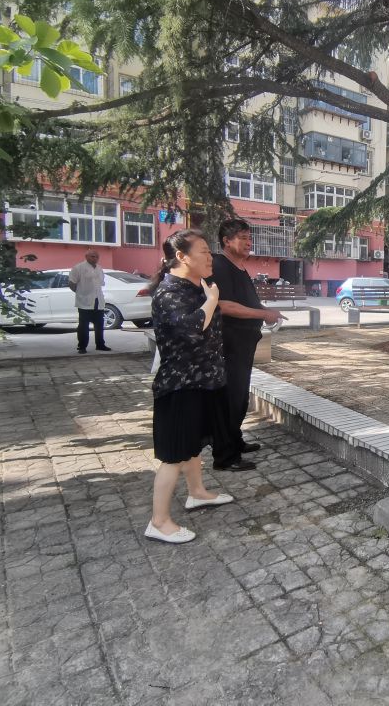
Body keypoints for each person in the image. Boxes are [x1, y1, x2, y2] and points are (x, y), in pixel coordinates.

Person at [146, 230, 235, 544]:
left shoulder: (197, 287)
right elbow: (192, 328)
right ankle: (159, 521)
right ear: (182, 256)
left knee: (192, 445)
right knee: (173, 455)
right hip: (180, 385)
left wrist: (209, 298)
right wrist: (212, 301)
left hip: (202, 381)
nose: (210, 258)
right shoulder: (169, 292)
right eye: (204, 252)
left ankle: (196, 492)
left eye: (210, 252)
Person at [210, 219, 283, 469]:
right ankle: (225, 456)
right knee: (230, 398)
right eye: (242, 238)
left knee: (240, 396)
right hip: (229, 343)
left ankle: (235, 440)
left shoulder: (239, 267)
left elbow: (247, 302)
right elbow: (224, 306)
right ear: (226, 241)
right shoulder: (220, 266)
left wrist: (266, 311)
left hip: (244, 343)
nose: (248, 242)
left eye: (249, 238)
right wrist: (263, 314)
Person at [68, 249, 111, 354]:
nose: (95, 258)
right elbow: (72, 283)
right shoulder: (78, 268)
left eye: (97, 257)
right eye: (92, 256)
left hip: (98, 300)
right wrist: (81, 293)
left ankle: (100, 344)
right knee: (83, 325)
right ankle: (82, 346)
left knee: (99, 324)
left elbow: (101, 283)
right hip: (84, 302)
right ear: (86, 256)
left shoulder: (99, 268)